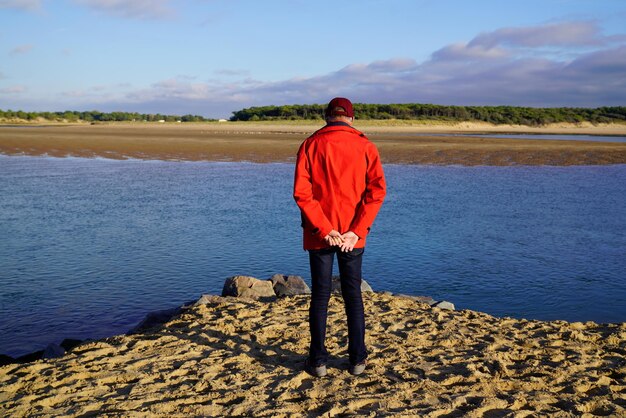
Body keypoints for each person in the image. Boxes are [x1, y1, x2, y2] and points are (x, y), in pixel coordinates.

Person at [293, 97, 386, 377]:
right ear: (352, 118)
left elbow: (302, 194)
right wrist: (355, 231)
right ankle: (357, 360)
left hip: (321, 234)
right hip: (350, 236)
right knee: (352, 295)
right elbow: (376, 193)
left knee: (320, 296)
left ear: (326, 117)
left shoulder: (311, 144)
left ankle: (318, 361)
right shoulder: (365, 145)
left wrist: (326, 229)